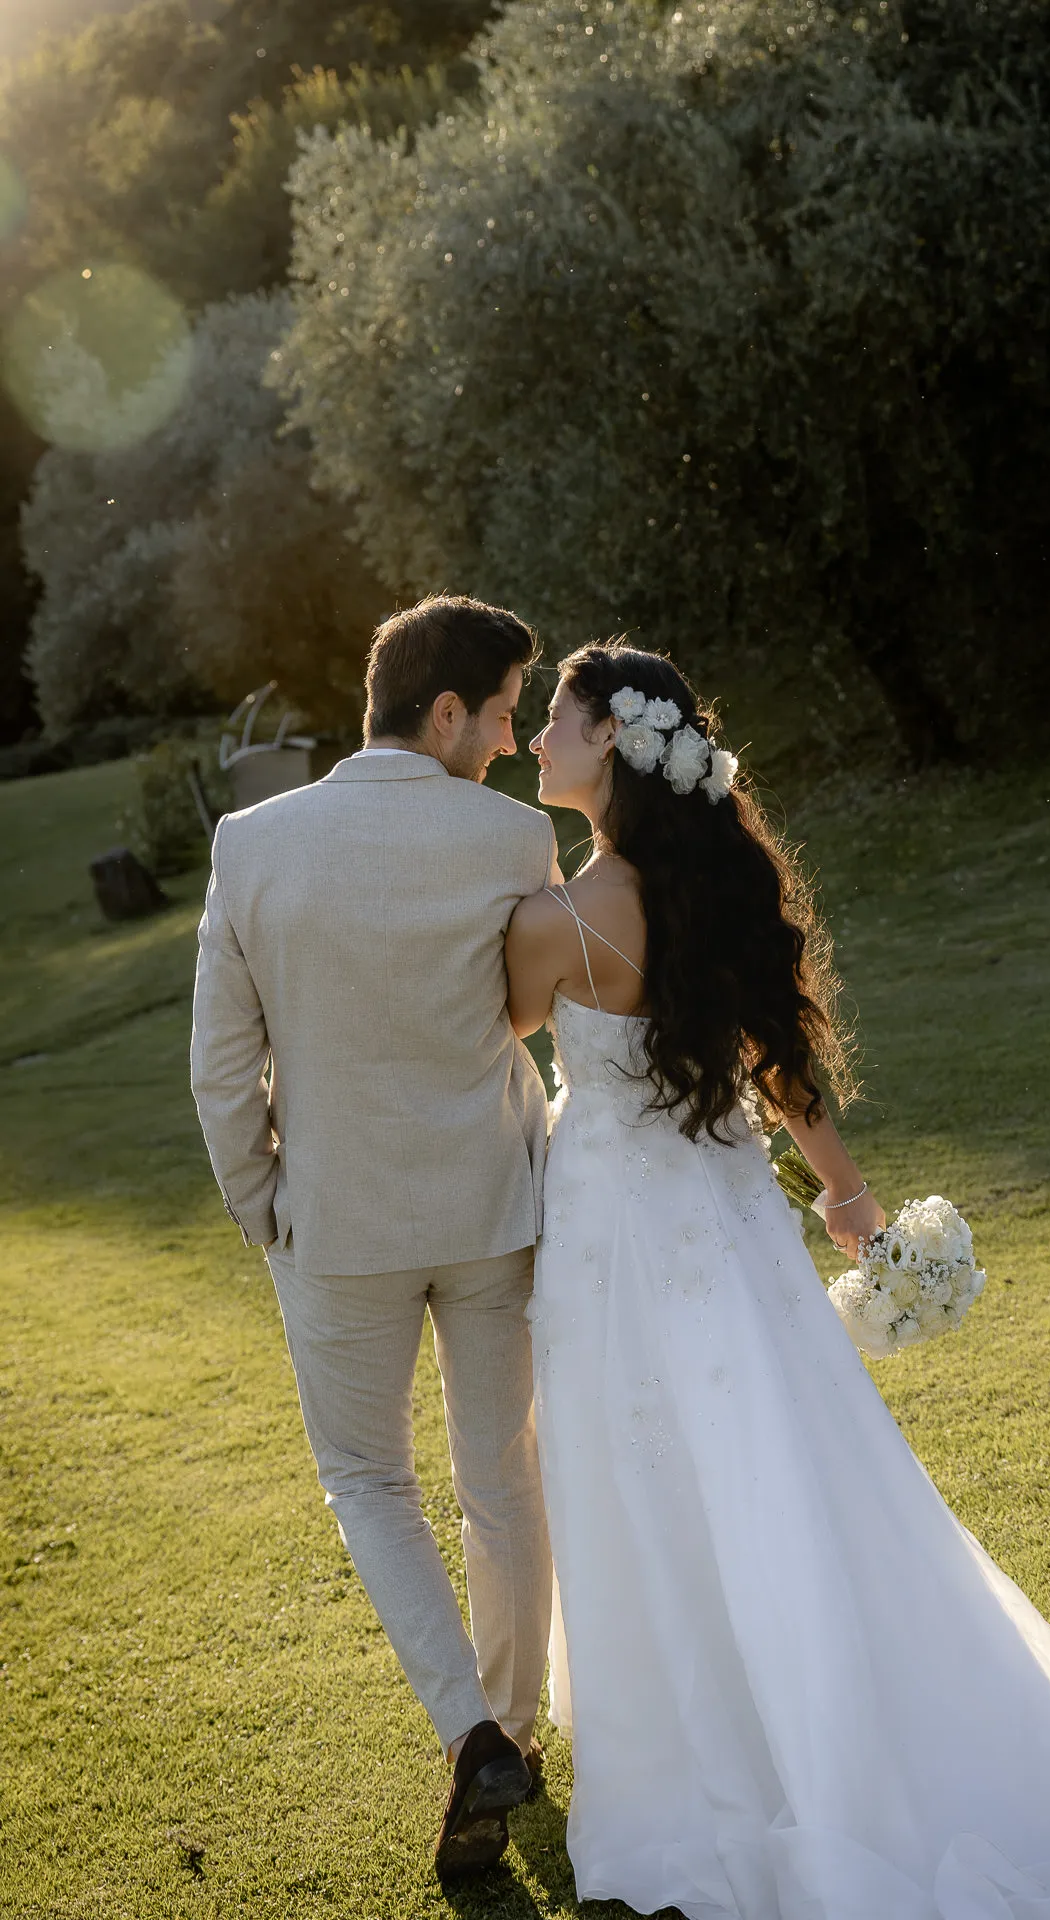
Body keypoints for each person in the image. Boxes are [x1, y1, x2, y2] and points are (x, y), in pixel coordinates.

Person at [504, 640, 1050, 1920]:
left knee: (638, 1479)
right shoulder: (716, 896)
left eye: (557, 724)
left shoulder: (552, 922)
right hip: (732, 1224)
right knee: (797, 1462)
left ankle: (711, 1769)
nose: (536, 743)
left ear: (614, 749)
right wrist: (853, 1209)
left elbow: (507, 1033)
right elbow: (785, 1072)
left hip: (612, 1241)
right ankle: (841, 1720)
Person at [192, 595, 558, 1880]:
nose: (515, 742)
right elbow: (527, 1013)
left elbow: (220, 1067)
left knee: (367, 1481)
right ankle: (510, 1729)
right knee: (502, 1480)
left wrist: (263, 1206)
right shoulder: (517, 839)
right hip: (492, 1209)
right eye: (505, 713)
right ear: (444, 711)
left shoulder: (251, 844)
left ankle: (472, 1736)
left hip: (335, 1222)